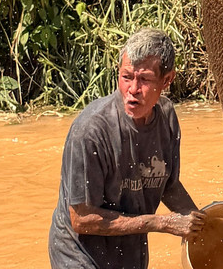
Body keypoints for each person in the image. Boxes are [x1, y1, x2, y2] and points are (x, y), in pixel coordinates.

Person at [49, 29, 207, 269]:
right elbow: (81, 219)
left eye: (144, 79)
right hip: (78, 255)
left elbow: (168, 185)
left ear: (167, 80)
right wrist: (161, 223)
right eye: (126, 77)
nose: (133, 89)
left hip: (129, 251)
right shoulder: (91, 131)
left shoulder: (166, 118)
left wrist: (202, 227)